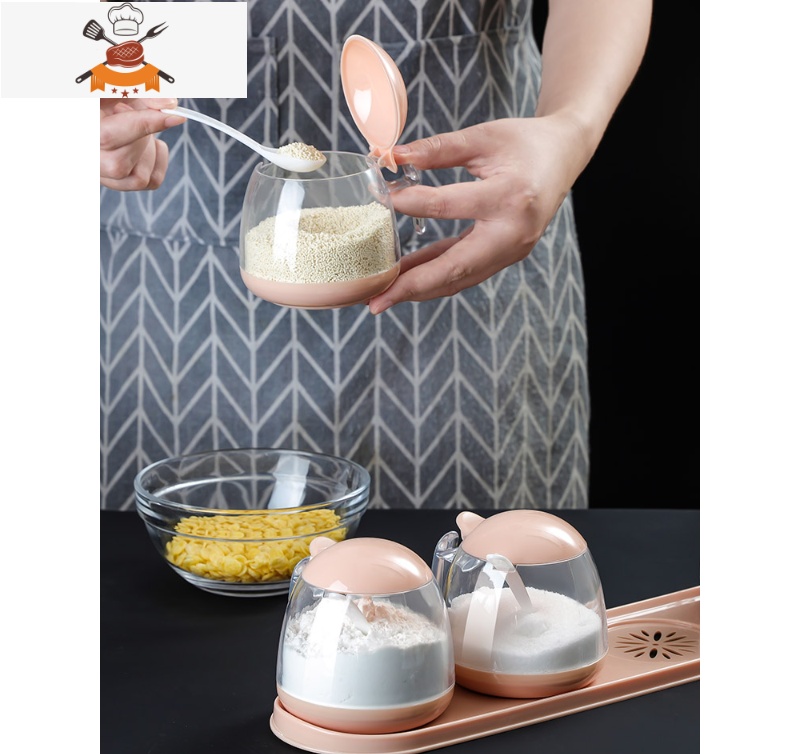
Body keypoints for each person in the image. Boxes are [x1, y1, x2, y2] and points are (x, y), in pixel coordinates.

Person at [100, 0, 652, 511]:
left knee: (479, 567)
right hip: (176, 290)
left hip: (476, 256)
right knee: (178, 559)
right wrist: (80, 87)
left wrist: (568, 129)